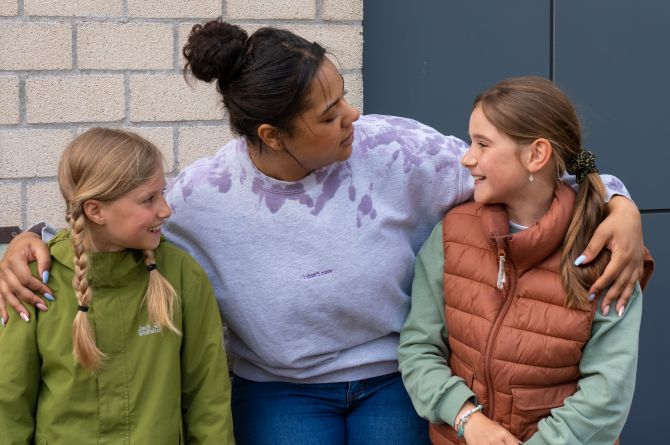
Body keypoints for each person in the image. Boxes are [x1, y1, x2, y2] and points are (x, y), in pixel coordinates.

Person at [0, 21, 646, 445]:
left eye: (345, 98)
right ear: (273, 136)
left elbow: (523, 169)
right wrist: (32, 241)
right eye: (330, 112)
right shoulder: (202, 198)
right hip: (279, 387)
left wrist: (616, 199)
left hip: (391, 374)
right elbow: (113, 218)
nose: (352, 117)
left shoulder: (394, 151)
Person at [398, 77, 654, 445]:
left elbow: (607, 392)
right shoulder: (452, 233)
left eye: (483, 144)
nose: (466, 157)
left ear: (536, 155)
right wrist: (467, 419)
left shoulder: (607, 255)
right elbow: (418, 348)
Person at [0, 128, 234, 444]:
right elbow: (9, 403)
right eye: (149, 199)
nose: (166, 209)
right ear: (96, 210)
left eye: (162, 192)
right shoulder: (34, 283)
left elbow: (209, 401)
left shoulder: (182, 276)